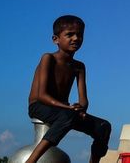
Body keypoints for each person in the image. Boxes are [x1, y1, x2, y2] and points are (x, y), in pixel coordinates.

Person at [25, 15, 111, 163]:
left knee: (103, 126)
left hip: (65, 111)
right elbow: (41, 95)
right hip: (40, 106)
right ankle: (31, 161)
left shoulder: (79, 67)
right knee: (67, 116)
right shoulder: (48, 58)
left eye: (79, 34)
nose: (76, 38)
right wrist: (69, 108)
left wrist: (80, 108)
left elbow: (83, 100)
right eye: (69, 34)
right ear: (55, 39)